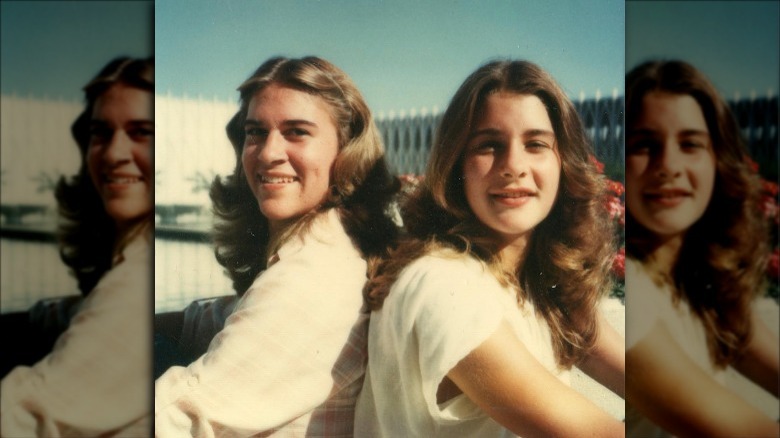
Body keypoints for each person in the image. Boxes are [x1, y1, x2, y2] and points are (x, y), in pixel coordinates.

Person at [355, 59, 625, 437]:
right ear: (456, 166)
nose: (514, 165)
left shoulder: (533, 280)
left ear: (564, 163)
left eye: (536, 144)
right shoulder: (443, 284)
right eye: (489, 145)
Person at [154, 56, 399, 436]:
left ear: (346, 150)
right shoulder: (330, 242)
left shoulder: (313, 276)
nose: (269, 153)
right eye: (256, 133)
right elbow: (239, 315)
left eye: (297, 132)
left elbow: (174, 417)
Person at [624, 60, 780, 437]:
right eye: (645, 144)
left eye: (690, 144)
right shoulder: (632, 290)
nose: (669, 166)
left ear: (717, 160)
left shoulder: (698, 275)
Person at [1, 56, 154, 436]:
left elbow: (25, 417)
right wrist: (69, 311)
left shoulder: (136, 282)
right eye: (100, 133)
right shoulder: (132, 266)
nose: (114, 153)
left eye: (142, 132)